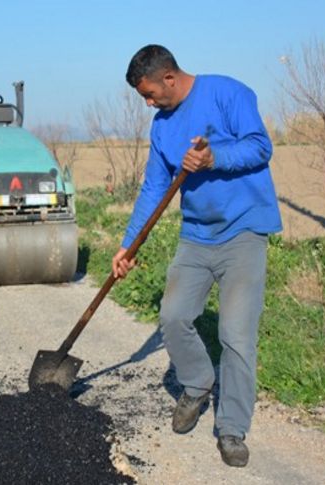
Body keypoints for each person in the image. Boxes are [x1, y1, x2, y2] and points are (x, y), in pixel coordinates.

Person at [112, 45, 281, 468]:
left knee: (236, 336)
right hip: (196, 236)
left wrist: (213, 158)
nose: (148, 103)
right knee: (172, 315)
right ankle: (198, 382)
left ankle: (231, 429)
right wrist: (129, 245)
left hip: (244, 231)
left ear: (169, 77)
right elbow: (154, 188)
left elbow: (261, 147)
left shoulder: (228, 93)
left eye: (149, 94)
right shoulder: (162, 126)